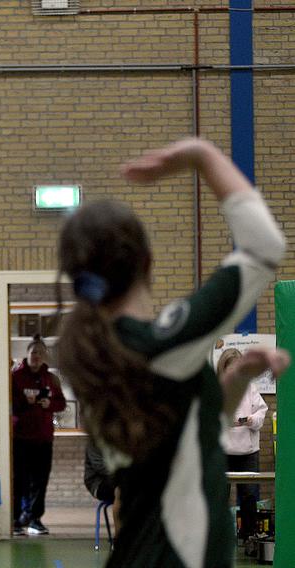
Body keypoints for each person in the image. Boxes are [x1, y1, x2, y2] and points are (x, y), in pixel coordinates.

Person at [56, 137, 289, 568]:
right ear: (147, 261)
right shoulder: (160, 343)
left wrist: (234, 382)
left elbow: (191, 434)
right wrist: (203, 155)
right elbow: (264, 247)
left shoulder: (96, 356)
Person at [11, 335, 65, 536]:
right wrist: (28, 401)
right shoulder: (16, 377)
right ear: (27, 354)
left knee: (40, 481)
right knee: (19, 480)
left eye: (40, 353)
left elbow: (61, 404)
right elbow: (11, 405)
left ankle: (35, 519)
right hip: (21, 438)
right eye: (33, 352)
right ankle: (16, 520)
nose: (36, 356)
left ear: (45, 357)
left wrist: (48, 404)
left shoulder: (51, 379)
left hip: (43, 439)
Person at [217, 348, 268, 541]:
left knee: (248, 496)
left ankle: (249, 536)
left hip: (248, 452)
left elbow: (261, 413)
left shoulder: (250, 388)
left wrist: (249, 420)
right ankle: (219, 537)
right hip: (223, 451)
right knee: (220, 496)